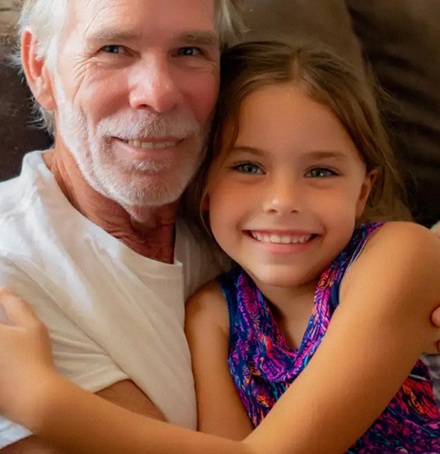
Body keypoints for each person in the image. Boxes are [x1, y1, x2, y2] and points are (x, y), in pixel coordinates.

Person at [0, 41, 439, 454]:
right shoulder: (212, 313)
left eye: (321, 172)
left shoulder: (398, 255)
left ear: (363, 192)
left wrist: (40, 400)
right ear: (204, 185)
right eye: (248, 166)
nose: (283, 201)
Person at [0, 0, 254, 449]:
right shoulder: (12, 266)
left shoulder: (249, 216)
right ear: (41, 67)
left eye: (189, 51)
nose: (158, 94)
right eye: (113, 49)